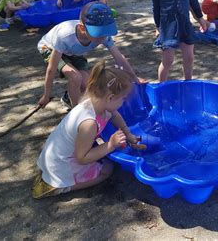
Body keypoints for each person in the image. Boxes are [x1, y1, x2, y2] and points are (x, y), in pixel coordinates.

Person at [32, 60, 140, 199]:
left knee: (105, 159)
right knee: (107, 170)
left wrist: (128, 133)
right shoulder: (89, 123)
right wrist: (110, 145)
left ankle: (59, 180)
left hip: (57, 156)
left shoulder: (95, 102)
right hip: (62, 165)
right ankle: (62, 187)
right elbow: (82, 158)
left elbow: (115, 115)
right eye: (123, 99)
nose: (123, 102)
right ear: (111, 97)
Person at [37, 2, 140, 109]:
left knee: (88, 85)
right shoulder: (65, 36)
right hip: (49, 48)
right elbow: (51, 69)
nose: (103, 38)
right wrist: (46, 95)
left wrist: (135, 79)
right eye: (98, 33)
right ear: (82, 28)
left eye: (105, 32)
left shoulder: (103, 36)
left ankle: (68, 97)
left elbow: (119, 58)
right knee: (75, 77)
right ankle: (75, 114)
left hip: (73, 52)